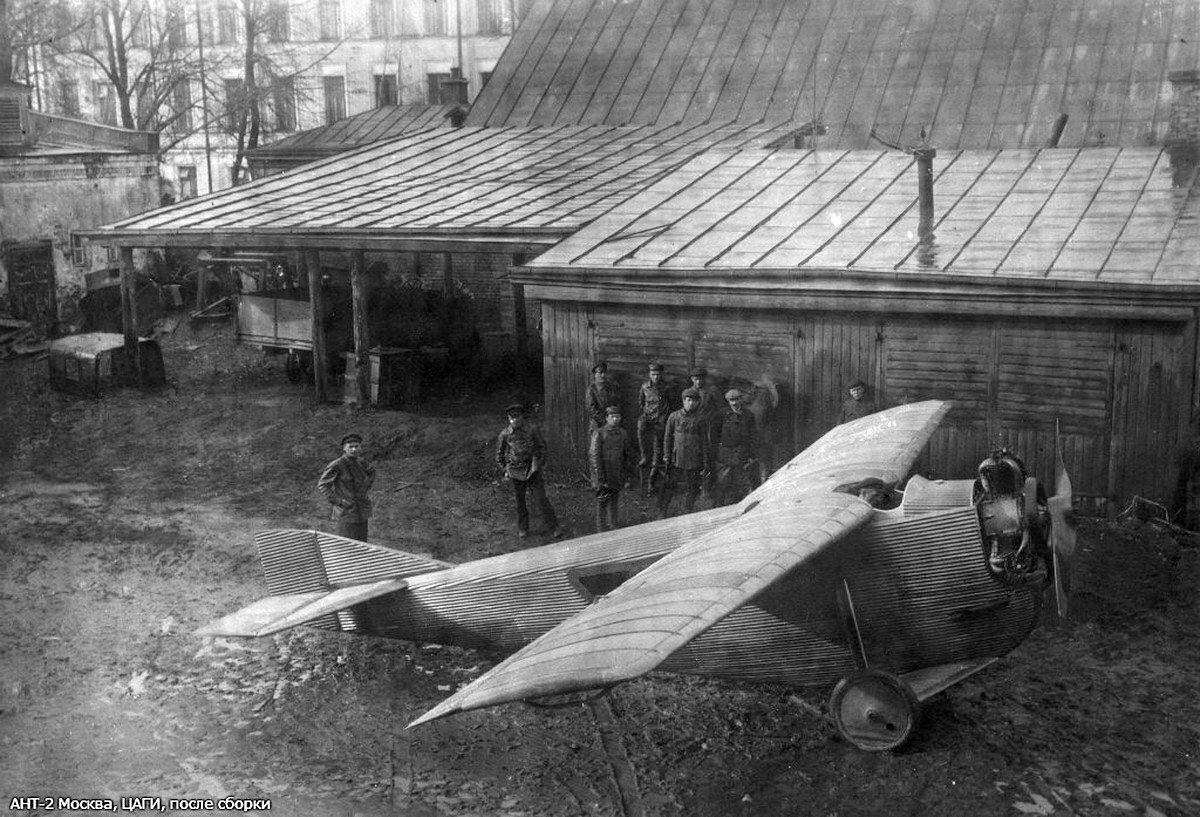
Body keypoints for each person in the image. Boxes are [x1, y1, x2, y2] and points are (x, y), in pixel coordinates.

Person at [496, 403, 560, 539]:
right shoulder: (505, 434)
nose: (514, 421)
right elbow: (499, 455)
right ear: (508, 419)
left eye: (517, 417)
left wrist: (540, 463)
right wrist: (505, 470)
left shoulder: (532, 430)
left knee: (541, 499)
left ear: (522, 417)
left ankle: (553, 527)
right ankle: (523, 528)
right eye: (511, 418)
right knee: (520, 502)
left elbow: (542, 446)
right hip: (515, 471)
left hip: (532, 469)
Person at [659, 388, 710, 517]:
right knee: (669, 485)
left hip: (694, 459)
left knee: (692, 487)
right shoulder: (674, 416)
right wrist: (666, 455)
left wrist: (705, 461)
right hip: (677, 458)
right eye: (688, 400)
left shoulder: (701, 419)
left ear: (698, 402)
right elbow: (667, 437)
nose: (690, 403)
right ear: (683, 401)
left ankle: (688, 511)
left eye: (693, 400)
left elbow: (704, 441)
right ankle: (663, 511)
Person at [317, 432, 377, 541]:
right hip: (346, 512)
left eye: (356, 446)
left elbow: (372, 472)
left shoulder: (361, 462)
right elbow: (323, 485)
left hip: (362, 511)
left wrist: (366, 487)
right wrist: (339, 501)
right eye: (351, 447)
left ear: (360, 448)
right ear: (344, 448)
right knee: (347, 544)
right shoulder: (337, 465)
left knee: (362, 543)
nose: (354, 449)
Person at [589, 405, 636, 531]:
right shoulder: (599, 433)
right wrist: (600, 476)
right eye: (612, 417)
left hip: (616, 473)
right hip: (603, 473)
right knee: (602, 501)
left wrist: (626, 471)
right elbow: (595, 456)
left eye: (617, 416)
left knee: (614, 499)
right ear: (606, 418)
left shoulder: (622, 433)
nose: (615, 419)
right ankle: (601, 529)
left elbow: (627, 453)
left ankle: (613, 525)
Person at [714, 389, 761, 505]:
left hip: (741, 453)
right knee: (722, 482)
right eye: (731, 400)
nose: (734, 403)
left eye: (737, 399)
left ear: (741, 399)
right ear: (728, 401)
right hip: (725, 454)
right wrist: (718, 447)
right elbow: (715, 432)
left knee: (739, 483)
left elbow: (753, 436)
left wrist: (751, 455)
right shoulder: (722, 414)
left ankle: (737, 506)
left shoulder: (748, 415)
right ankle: (718, 506)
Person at [636, 362, 674, 498]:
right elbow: (641, 402)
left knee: (658, 449)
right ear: (649, 375)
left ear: (661, 374)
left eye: (658, 374)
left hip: (661, 419)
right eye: (653, 374)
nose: (656, 377)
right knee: (640, 424)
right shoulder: (645, 387)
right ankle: (643, 455)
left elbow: (671, 403)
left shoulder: (666, 387)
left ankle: (652, 481)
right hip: (648, 417)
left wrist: (663, 416)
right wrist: (646, 413)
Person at [689, 367, 723, 494]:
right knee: (694, 455)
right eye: (696, 379)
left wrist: (714, 422)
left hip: (709, 428)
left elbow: (720, 409)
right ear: (692, 379)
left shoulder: (711, 392)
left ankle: (708, 486)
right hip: (694, 429)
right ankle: (695, 485)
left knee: (708, 456)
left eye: (700, 379)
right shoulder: (688, 393)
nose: (698, 382)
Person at [585, 362, 621, 433]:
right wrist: (604, 420)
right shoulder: (592, 389)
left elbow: (618, 402)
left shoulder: (613, 387)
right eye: (600, 373)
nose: (603, 375)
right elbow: (591, 409)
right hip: (598, 423)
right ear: (595, 375)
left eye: (604, 372)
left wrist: (614, 416)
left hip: (613, 420)